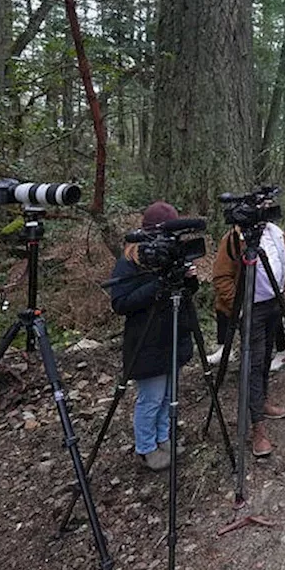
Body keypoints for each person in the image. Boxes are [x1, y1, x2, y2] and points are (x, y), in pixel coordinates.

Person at [107, 201, 198, 472]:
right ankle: (146, 448)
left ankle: (164, 438)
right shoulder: (131, 261)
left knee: (170, 394)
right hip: (147, 341)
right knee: (152, 398)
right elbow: (120, 303)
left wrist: (188, 279)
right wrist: (156, 286)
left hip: (173, 333)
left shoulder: (172, 254)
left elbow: (185, 293)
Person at [212, 213, 285, 459]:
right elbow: (221, 277)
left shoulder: (276, 232)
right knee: (254, 364)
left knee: (266, 356)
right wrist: (241, 305)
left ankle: (262, 402)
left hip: (273, 305)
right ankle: (257, 428)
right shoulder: (234, 239)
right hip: (252, 309)